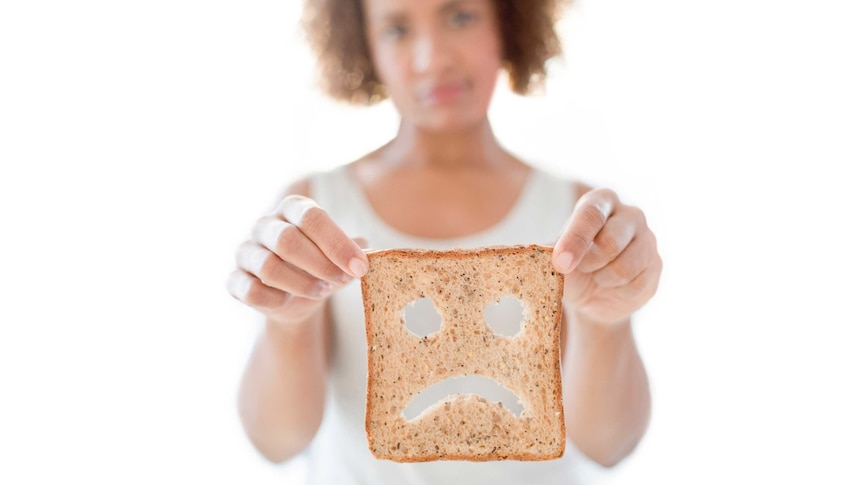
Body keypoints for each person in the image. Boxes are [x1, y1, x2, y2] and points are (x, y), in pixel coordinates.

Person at [226, 0, 662, 482]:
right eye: (396, 28)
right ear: (363, 42)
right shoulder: (315, 211)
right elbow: (276, 440)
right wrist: (289, 322)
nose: (432, 57)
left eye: (460, 16)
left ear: (507, 21)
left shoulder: (578, 219)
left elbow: (609, 444)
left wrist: (606, 322)